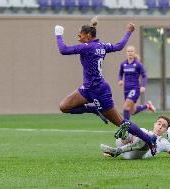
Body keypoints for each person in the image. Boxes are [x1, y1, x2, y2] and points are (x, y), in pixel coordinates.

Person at [54, 17, 157, 155]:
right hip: (87, 88)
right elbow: (119, 46)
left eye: (80, 35)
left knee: (121, 122)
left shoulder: (87, 47)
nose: (78, 38)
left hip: (99, 91)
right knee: (64, 106)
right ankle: (94, 110)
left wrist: (58, 34)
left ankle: (149, 140)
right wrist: (128, 32)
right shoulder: (101, 45)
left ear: (88, 35)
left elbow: (63, 49)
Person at [100, 115, 170, 159]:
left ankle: (116, 150)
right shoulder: (143, 131)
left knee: (149, 139)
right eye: (159, 123)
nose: (160, 127)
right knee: (140, 132)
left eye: (164, 126)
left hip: (136, 155)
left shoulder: (163, 143)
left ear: (166, 131)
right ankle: (123, 135)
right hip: (123, 145)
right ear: (155, 124)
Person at [118, 45, 156, 120]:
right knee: (132, 111)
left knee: (126, 107)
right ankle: (147, 106)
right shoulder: (123, 64)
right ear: (126, 53)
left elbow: (144, 76)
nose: (130, 53)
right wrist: (120, 80)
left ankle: (127, 128)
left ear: (134, 52)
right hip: (126, 89)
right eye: (128, 51)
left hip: (135, 88)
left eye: (132, 51)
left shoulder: (138, 64)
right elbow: (120, 74)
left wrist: (143, 86)